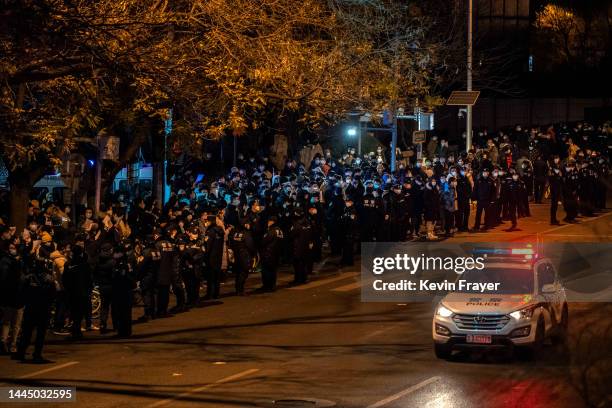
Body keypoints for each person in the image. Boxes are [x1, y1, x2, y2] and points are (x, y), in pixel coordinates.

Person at [14, 246, 56, 363]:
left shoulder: (29, 278)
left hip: (31, 308)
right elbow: (53, 294)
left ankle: (21, 352)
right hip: (43, 309)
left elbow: (22, 292)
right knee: (40, 334)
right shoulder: (48, 279)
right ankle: (36, 354)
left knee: (27, 332)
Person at [0, 241, 25, 355]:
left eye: (14, 248)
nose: (12, 250)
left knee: (16, 323)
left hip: (18, 297)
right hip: (10, 296)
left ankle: (12, 343)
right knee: (7, 322)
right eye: (11, 248)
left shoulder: (19, 261)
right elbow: (5, 279)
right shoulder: (6, 261)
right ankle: (4, 342)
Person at [62, 243, 91, 340]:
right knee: (79, 313)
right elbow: (89, 279)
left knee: (74, 312)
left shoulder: (69, 264)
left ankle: (75, 330)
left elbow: (64, 279)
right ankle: (76, 330)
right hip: (81, 292)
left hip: (72, 292)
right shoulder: (84, 265)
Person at [229, 218, 256, 296]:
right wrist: (253, 253)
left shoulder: (235, 233)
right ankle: (240, 290)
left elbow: (232, 244)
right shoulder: (246, 233)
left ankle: (237, 289)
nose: (249, 226)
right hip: (245, 255)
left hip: (237, 255)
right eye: (248, 224)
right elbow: (250, 245)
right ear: (245, 224)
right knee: (244, 273)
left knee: (238, 273)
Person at [260, 216, 283, 292]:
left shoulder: (271, 231)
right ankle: (272, 286)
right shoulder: (279, 230)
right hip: (276, 253)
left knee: (266, 271)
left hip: (268, 253)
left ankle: (267, 286)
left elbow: (264, 241)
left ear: (272, 222)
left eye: (269, 221)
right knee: (273, 270)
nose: (268, 223)